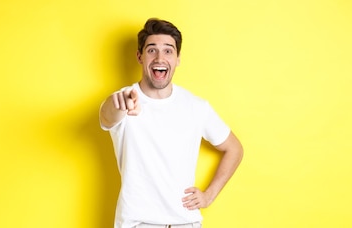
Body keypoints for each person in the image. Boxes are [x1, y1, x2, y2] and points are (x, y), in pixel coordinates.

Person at [99, 18, 244, 228]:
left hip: (185, 223)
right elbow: (107, 116)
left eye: (168, 51)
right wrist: (120, 104)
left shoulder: (196, 106)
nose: (160, 57)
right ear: (140, 56)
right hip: (138, 223)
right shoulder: (124, 100)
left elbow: (235, 149)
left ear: (177, 59)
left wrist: (208, 196)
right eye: (151, 50)